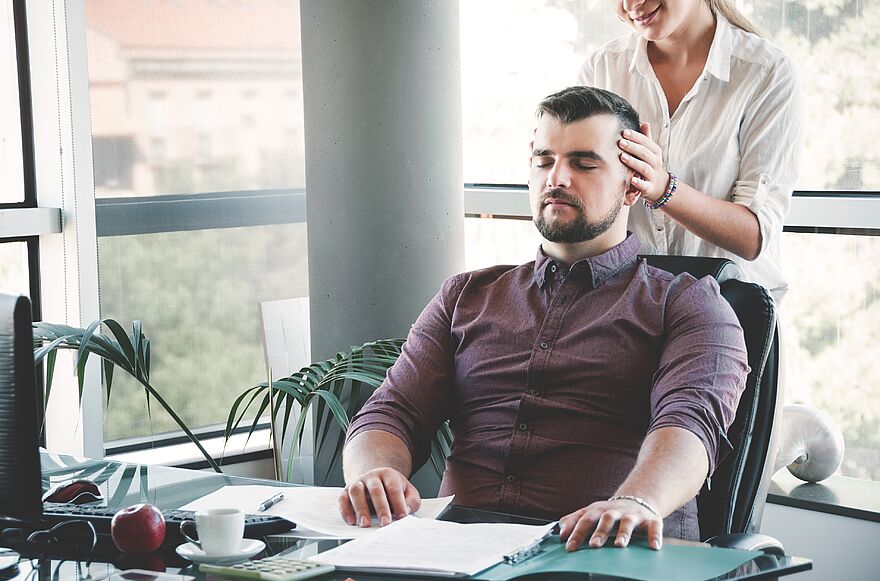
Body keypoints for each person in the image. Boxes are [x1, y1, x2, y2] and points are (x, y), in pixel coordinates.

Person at [338, 86, 749, 551]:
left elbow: (690, 425)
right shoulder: (466, 296)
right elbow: (394, 411)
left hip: (603, 562)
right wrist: (374, 473)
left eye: (583, 163)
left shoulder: (689, 304)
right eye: (543, 160)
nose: (558, 178)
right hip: (456, 559)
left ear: (632, 184)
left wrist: (640, 500)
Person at [579, 0, 803, 302]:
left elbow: (753, 236)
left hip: (730, 311)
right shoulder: (602, 69)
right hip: (625, 312)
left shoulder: (765, 73)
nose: (631, 4)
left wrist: (662, 188)